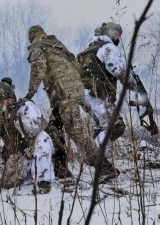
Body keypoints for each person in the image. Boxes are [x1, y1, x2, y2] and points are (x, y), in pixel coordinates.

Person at [23, 25, 103, 179]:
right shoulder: (57, 45)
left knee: (76, 130)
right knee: (54, 127)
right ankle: (61, 168)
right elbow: (75, 64)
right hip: (75, 89)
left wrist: (30, 93)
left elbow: (38, 68)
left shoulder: (37, 46)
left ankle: (103, 166)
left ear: (32, 37)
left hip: (64, 93)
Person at [77, 22, 146, 180]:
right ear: (108, 32)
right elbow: (120, 71)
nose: (118, 37)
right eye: (116, 33)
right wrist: (137, 88)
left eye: (120, 34)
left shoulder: (90, 49)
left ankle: (104, 168)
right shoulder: (108, 48)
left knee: (100, 129)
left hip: (85, 95)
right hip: (97, 95)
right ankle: (93, 155)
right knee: (116, 127)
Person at [0, 77, 55, 194]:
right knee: (7, 184)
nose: (6, 104)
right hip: (16, 156)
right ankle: (30, 169)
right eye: (1, 102)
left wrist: (17, 119)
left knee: (43, 138)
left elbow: (36, 129)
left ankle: (43, 180)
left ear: (12, 96)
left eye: (8, 99)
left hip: (32, 149)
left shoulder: (25, 105)